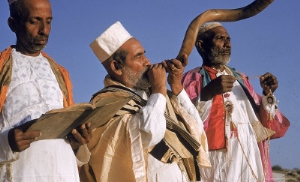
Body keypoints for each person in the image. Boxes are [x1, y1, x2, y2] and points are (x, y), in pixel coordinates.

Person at [79, 21, 211, 182]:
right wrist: (159, 90)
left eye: (144, 54)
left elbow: (196, 130)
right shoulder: (107, 105)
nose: (147, 61)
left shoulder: (156, 97)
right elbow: (149, 133)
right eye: (138, 56)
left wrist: (176, 86)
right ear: (116, 67)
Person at [0, 0, 92, 181]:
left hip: (63, 171)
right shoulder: (2, 67)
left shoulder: (60, 72)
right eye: (35, 21)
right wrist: (6, 141)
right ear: (13, 24)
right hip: (21, 173)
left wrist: (78, 141)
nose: (44, 30)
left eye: (48, 22)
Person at [181, 22, 290, 182]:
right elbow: (183, 120)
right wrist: (207, 93)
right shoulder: (192, 79)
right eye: (220, 38)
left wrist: (267, 94)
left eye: (228, 39)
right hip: (215, 157)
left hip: (248, 152)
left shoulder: (242, 79)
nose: (227, 44)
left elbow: (265, 123)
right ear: (202, 45)